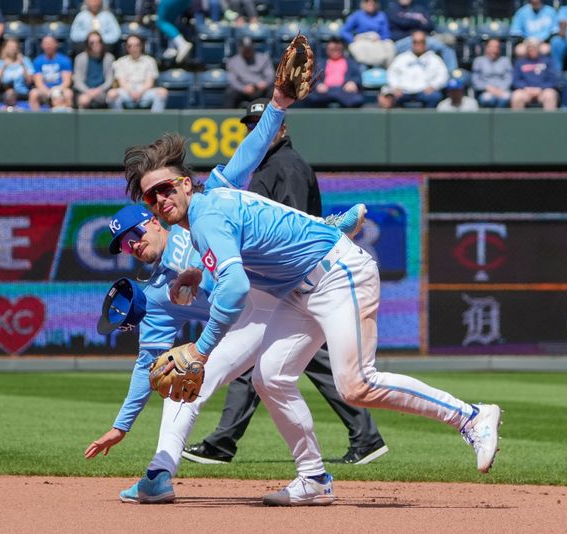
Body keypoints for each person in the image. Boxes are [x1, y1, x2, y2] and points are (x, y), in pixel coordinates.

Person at [136, 86, 502, 506]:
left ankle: (471, 417)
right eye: (152, 196)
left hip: (337, 273)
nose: (161, 199)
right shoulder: (215, 188)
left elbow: (235, 288)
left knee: (356, 384)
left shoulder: (206, 216)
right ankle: (313, 478)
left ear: (184, 184)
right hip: (297, 289)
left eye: (166, 188)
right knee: (269, 376)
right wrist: (277, 105)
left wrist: (201, 351)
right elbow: (253, 148)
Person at [84, 94, 368, 503]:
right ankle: (159, 476)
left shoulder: (198, 211)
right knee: (180, 379)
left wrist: (278, 104)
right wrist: (121, 426)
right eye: (123, 247)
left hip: (277, 293)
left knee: (256, 220)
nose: (131, 246)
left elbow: (247, 156)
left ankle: (326, 229)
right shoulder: (159, 295)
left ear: (152, 219)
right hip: (249, 319)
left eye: (133, 235)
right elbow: (146, 362)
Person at [183, 98, 386, 467]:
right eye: (250, 124)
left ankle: (223, 442)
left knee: (270, 364)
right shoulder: (266, 165)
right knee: (282, 366)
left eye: (262, 123)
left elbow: (290, 222)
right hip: (287, 280)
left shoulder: (285, 165)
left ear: (282, 128)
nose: (254, 129)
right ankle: (365, 436)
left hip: (294, 275)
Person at [378, 30, 448, 109]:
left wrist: (433, 86)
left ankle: (428, 120)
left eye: (421, 42)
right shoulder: (402, 58)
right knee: (388, 97)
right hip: (404, 91)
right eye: (415, 42)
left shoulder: (434, 59)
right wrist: (395, 87)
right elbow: (391, 73)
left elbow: (443, 75)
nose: (418, 44)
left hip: (425, 91)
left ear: (425, 43)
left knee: (435, 96)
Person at [386, 0, 457, 70]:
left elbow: (430, 25)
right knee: (390, 51)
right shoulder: (392, 9)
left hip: (424, 38)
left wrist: (412, 25)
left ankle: (452, 75)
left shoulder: (420, 8)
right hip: (403, 40)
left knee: (446, 48)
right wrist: (418, 21)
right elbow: (401, 23)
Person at [107, 34, 167, 111]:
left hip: (145, 92)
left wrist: (140, 93)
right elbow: (122, 83)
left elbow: (150, 83)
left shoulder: (150, 61)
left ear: (141, 46)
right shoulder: (120, 61)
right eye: (130, 46)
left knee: (162, 92)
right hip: (126, 92)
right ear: (126, 48)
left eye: (136, 45)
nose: (133, 48)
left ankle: (155, 121)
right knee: (111, 94)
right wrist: (131, 92)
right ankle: (118, 122)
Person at [302, 38, 365, 109]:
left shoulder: (351, 63)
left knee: (357, 99)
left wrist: (353, 82)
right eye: (332, 49)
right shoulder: (320, 63)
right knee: (309, 98)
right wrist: (318, 85)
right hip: (324, 92)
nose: (335, 51)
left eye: (338, 49)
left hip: (344, 92)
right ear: (327, 50)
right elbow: (312, 77)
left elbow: (357, 77)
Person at [342, 0, 396, 67]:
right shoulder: (357, 15)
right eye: (368, 2)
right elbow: (344, 31)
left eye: (373, 2)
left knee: (390, 46)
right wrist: (353, 39)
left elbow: (387, 34)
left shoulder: (381, 16)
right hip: (363, 42)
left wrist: (380, 38)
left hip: (377, 42)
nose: (371, 4)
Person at [224, 36, 274, 109]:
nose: (247, 50)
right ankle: (229, 117)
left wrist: (265, 83)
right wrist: (243, 88)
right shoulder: (232, 61)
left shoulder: (263, 58)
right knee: (230, 92)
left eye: (249, 48)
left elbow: (270, 75)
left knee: (273, 92)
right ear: (240, 48)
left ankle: (274, 118)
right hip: (243, 90)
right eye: (245, 48)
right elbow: (232, 80)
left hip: (261, 89)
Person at [511, 38, 559, 110]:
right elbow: (515, 80)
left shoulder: (548, 61)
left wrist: (540, 88)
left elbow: (554, 80)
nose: (532, 49)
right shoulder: (520, 62)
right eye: (530, 47)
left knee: (550, 95)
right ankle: (517, 121)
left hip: (543, 91)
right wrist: (526, 88)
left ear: (539, 48)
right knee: (516, 96)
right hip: (525, 91)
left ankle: (549, 121)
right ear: (526, 49)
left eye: (534, 47)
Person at [29, 35, 74, 112]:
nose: (48, 46)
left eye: (50, 43)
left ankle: (67, 119)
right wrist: (48, 93)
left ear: (56, 44)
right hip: (44, 91)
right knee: (33, 93)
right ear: (42, 45)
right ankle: (36, 119)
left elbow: (67, 81)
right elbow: (38, 82)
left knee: (68, 93)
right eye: (46, 43)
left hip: (60, 89)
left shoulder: (64, 60)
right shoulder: (38, 61)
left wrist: (56, 91)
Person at [73, 31, 115, 109]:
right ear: (87, 44)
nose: (96, 44)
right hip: (86, 91)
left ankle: (114, 120)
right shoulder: (80, 58)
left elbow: (110, 80)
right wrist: (88, 91)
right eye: (92, 42)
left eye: (99, 41)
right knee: (83, 100)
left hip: (102, 91)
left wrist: (99, 90)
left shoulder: (109, 58)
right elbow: (77, 80)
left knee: (113, 94)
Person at [473, 38, 512, 108]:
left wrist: (500, 89)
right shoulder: (478, 61)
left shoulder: (505, 61)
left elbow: (509, 78)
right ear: (486, 48)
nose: (494, 49)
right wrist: (487, 87)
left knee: (506, 97)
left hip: (502, 90)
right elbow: (476, 80)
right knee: (487, 99)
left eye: (496, 47)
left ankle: (501, 118)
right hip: (485, 90)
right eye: (491, 47)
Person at [0, 37, 34, 103]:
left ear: (17, 48)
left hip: (22, 93)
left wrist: (23, 65)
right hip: (5, 93)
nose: (12, 49)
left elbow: (30, 81)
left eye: (14, 46)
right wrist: (3, 67)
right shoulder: (0, 63)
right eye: (9, 47)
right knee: (10, 93)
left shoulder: (25, 61)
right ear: (5, 48)